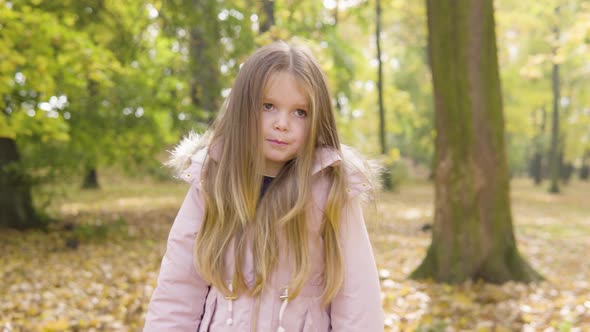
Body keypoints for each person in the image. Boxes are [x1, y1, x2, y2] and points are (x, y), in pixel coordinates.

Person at [144, 41, 384, 331]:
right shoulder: (211, 182)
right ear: (244, 109)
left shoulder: (331, 189)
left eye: (300, 112)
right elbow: (178, 289)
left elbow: (357, 295)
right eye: (268, 106)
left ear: (317, 118)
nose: (282, 123)